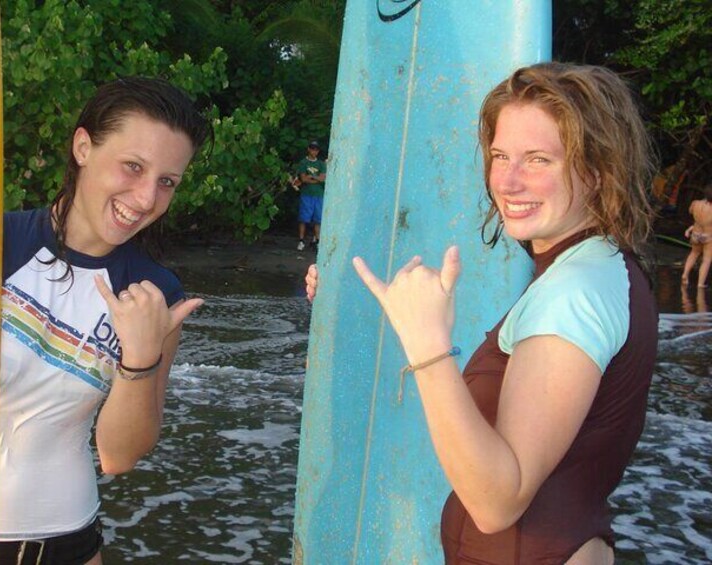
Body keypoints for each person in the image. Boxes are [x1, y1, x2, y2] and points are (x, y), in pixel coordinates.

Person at [306, 62, 658, 563]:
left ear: (597, 171)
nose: (508, 181)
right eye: (499, 155)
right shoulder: (599, 269)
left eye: (538, 159)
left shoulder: (575, 291)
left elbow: (496, 502)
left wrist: (428, 348)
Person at [0, 77, 211, 565]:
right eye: (133, 167)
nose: (146, 197)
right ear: (83, 147)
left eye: (167, 182)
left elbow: (119, 456)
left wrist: (139, 357)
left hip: (60, 541)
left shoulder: (155, 297)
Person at [295, 140, 327, 251]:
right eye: (312, 148)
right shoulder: (304, 163)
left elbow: (323, 178)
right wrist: (315, 178)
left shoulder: (321, 164)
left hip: (319, 194)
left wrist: (311, 176)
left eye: (316, 149)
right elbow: (303, 178)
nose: (314, 151)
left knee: (318, 219)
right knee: (304, 218)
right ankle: (301, 240)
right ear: (309, 149)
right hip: (307, 194)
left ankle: (317, 240)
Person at [680, 184, 712, 287]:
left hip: (695, 234)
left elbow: (690, 211)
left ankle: (685, 274)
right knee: (706, 260)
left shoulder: (695, 203)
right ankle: (700, 283)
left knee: (693, 254)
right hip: (708, 236)